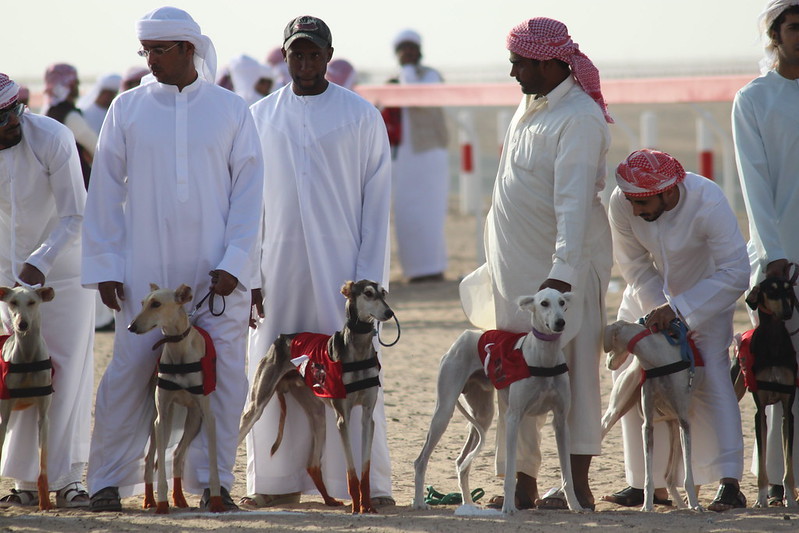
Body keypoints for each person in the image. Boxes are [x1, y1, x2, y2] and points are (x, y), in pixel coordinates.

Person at [81, 6, 264, 512]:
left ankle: (214, 483)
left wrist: (236, 260)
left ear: (188, 49)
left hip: (218, 274)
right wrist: (105, 267)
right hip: (145, 271)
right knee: (129, 369)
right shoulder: (127, 108)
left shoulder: (231, 108)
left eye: (160, 50)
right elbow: (104, 192)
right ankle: (108, 482)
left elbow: (250, 192)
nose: (150, 60)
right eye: (146, 51)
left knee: (223, 374)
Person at [459, 17, 613, 511]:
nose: (513, 73)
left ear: (547, 62)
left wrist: (561, 273)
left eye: (518, 63)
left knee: (577, 376)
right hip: (516, 275)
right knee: (516, 376)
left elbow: (573, 205)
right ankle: (521, 485)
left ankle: (577, 487)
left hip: (559, 276)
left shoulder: (579, 118)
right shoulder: (532, 105)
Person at [242, 15, 394, 509]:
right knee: (271, 365)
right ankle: (274, 482)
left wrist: (368, 282)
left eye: (313, 54)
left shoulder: (360, 115)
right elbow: (247, 203)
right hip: (277, 266)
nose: (305, 63)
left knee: (353, 375)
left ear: (329, 56)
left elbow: (377, 201)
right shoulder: (259, 116)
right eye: (296, 54)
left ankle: (366, 485)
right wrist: (251, 274)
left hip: (343, 272)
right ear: (284, 57)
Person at [604, 149, 749, 511]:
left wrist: (680, 311)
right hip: (648, 295)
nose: (635, 210)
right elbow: (634, 264)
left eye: (643, 202)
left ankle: (729, 484)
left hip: (707, 296)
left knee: (711, 376)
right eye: (631, 201)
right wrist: (658, 313)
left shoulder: (708, 200)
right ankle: (646, 484)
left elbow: (736, 271)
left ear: (669, 192)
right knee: (629, 374)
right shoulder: (623, 202)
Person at [0, 73, 95, 508]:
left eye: (12, 114)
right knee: (18, 377)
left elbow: (76, 214)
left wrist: (39, 261)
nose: (9, 125)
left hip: (61, 276)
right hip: (7, 284)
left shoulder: (51, 136)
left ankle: (69, 478)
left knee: (67, 372)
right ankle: (23, 481)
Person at [732, 0, 799, 505]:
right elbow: (753, 185)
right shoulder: (753, 99)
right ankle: (777, 480)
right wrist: (774, 251)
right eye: (796, 26)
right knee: (777, 372)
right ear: (775, 34)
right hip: (779, 258)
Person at [384, 29, 449, 283]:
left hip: (429, 153)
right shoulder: (394, 79)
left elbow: (415, 94)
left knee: (430, 211)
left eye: (412, 47)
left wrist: (406, 72)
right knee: (406, 212)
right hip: (403, 158)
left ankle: (433, 268)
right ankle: (415, 270)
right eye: (403, 48)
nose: (408, 53)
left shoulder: (429, 75)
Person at [42, 63, 98, 189]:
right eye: (75, 82)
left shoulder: (47, 113)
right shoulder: (69, 115)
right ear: (70, 85)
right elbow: (96, 147)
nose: (77, 86)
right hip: (77, 183)